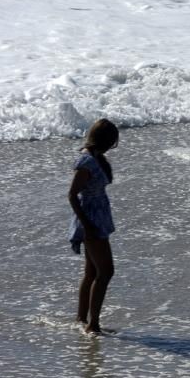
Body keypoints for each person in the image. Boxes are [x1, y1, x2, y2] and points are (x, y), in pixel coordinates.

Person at [68, 119, 120, 334]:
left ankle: (81, 319)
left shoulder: (98, 159)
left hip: (98, 218)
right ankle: (93, 325)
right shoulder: (86, 162)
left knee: (91, 272)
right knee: (106, 272)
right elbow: (72, 195)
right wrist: (87, 225)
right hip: (90, 220)